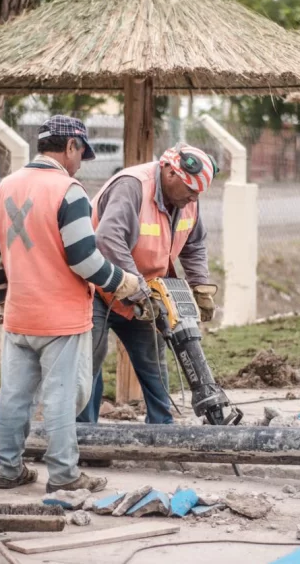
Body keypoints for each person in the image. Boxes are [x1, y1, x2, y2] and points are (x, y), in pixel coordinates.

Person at [0, 115, 140, 493]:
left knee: (13, 398)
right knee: (60, 399)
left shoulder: (4, 188)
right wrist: (123, 282)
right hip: (60, 318)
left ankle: (8, 471)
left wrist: (5, 302)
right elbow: (84, 259)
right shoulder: (68, 191)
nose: (79, 162)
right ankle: (64, 475)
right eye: (79, 153)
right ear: (70, 147)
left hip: (19, 315)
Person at [79, 143, 218, 425]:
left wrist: (200, 285)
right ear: (169, 172)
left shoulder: (188, 199)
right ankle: (84, 436)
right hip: (97, 289)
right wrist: (138, 288)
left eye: (198, 194)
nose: (193, 198)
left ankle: (161, 430)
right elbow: (108, 239)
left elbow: (194, 244)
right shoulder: (132, 187)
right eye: (190, 190)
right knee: (90, 361)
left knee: (153, 360)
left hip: (144, 292)